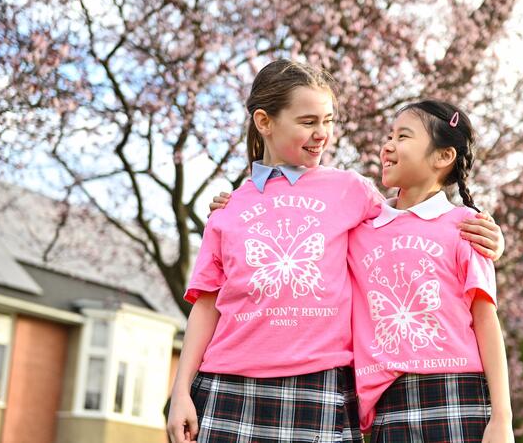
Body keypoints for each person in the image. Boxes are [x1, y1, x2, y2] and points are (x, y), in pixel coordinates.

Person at [167, 59, 504, 443]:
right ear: (264, 122)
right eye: (308, 121)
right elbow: (206, 303)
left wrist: (492, 239)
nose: (322, 133)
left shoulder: (351, 190)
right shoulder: (230, 208)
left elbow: (412, 224)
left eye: (327, 121)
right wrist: (181, 392)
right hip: (227, 383)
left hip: (321, 385)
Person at [349, 100, 513, 442]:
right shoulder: (359, 230)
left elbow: (485, 320)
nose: (388, 145)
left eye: (403, 136)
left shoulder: (467, 227)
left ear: (443, 156)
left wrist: (502, 417)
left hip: (458, 394)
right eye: (389, 136)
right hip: (388, 402)